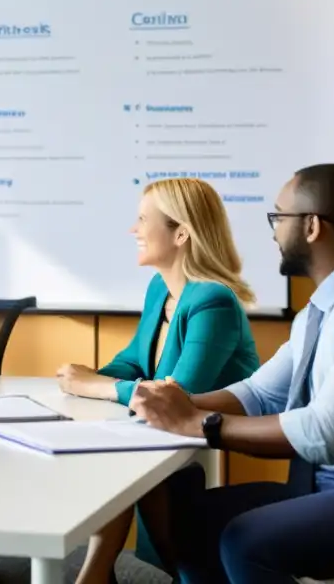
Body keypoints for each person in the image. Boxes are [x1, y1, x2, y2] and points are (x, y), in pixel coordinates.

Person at [130, 163, 334, 583]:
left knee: (247, 541)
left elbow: (323, 433)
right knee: (187, 521)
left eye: (278, 218)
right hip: (328, 484)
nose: (274, 232)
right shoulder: (325, 307)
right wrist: (172, 403)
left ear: (312, 226)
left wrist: (199, 423)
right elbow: (259, 394)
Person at [56, 177, 260, 584]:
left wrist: (94, 386)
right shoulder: (161, 289)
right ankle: (104, 572)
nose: (134, 230)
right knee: (114, 457)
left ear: (181, 233)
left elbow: (175, 395)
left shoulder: (213, 301)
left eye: (142, 219)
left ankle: (103, 573)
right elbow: (135, 360)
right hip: (170, 433)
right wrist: (84, 377)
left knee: (123, 463)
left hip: (220, 429)